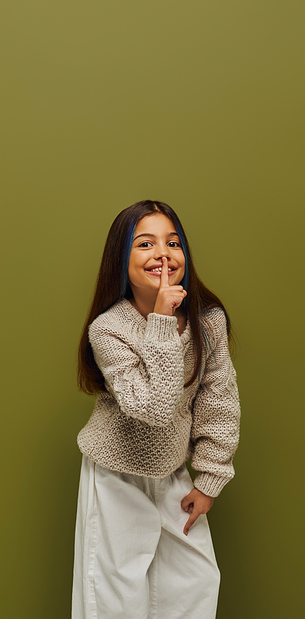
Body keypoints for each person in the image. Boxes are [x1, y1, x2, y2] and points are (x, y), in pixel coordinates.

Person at [72, 199, 241, 619]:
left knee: (193, 584)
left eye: (174, 242)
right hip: (116, 474)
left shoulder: (208, 321)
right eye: (145, 244)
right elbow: (154, 407)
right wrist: (162, 319)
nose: (163, 254)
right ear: (122, 261)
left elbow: (219, 399)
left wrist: (210, 479)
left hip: (172, 471)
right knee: (114, 592)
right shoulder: (108, 329)